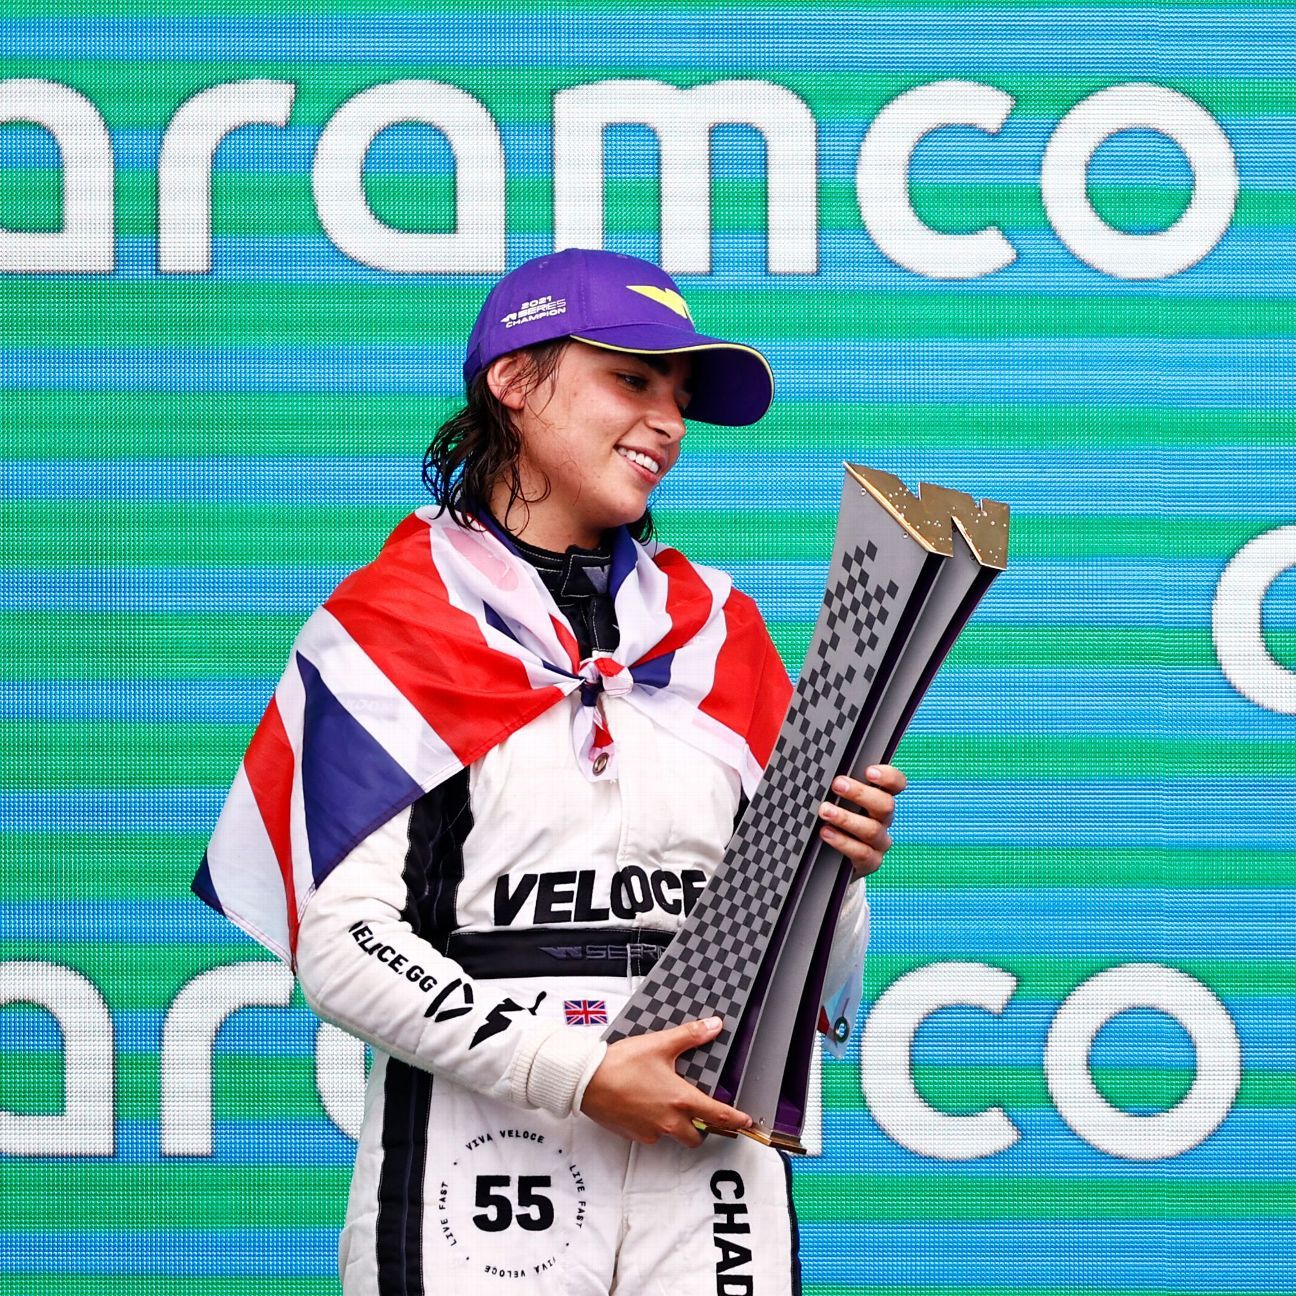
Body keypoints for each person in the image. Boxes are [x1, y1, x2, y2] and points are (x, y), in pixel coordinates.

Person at [195, 248, 906, 1295]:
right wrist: (578, 1073)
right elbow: (339, 943)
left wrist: (837, 871)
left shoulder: (720, 633)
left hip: (708, 1152)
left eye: (679, 397)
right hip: (488, 1148)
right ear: (514, 382)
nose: (667, 421)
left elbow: (812, 972)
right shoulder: (392, 626)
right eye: (632, 379)